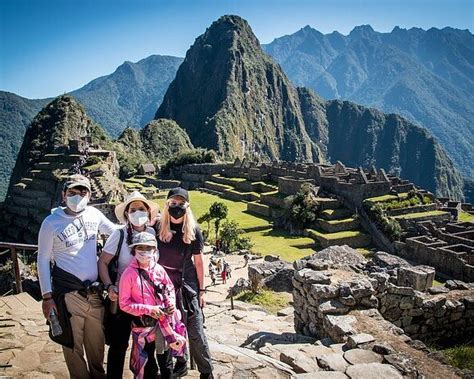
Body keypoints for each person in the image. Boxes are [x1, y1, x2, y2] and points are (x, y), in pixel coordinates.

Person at [37, 174, 117, 379]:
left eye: (82, 192)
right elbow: (43, 259)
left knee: (97, 345)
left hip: (95, 293)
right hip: (68, 294)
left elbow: (117, 232)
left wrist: (147, 226)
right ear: (63, 195)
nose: (77, 196)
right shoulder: (51, 223)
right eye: (72, 192)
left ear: (89, 195)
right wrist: (47, 297)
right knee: (73, 346)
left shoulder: (94, 214)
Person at [98, 191, 160, 379]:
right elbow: (103, 262)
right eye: (133, 209)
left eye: (141, 209)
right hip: (122, 299)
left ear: (148, 212)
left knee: (147, 345)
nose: (137, 213)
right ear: (126, 213)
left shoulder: (151, 233)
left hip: (146, 300)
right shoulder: (119, 235)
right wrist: (109, 287)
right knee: (119, 345)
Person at [156, 188, 214, 378]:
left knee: (195, 331)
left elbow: (199, 262)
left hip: (186, 285)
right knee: (169, 328)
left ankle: (206, 371)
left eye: (181, 204)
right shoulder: (158, 227)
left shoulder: (193, 231)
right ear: (167, 205)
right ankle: (181, 363)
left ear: (187, 206)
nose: (176, 207)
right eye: (173, 203)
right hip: (164, 286)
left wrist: (202, 290)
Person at [119, 232, 186, 379]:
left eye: (148, 248)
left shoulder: (159, 270)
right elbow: (124, 304)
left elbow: (169, 288)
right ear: (133, 250)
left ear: (155, 250)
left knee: (166, 362)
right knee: (147, 364)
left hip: (163, 325)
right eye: (140, 247)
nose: (144, 251)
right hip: (143, 326)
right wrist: (149, 309)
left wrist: (171, 304)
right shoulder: (128, 275)